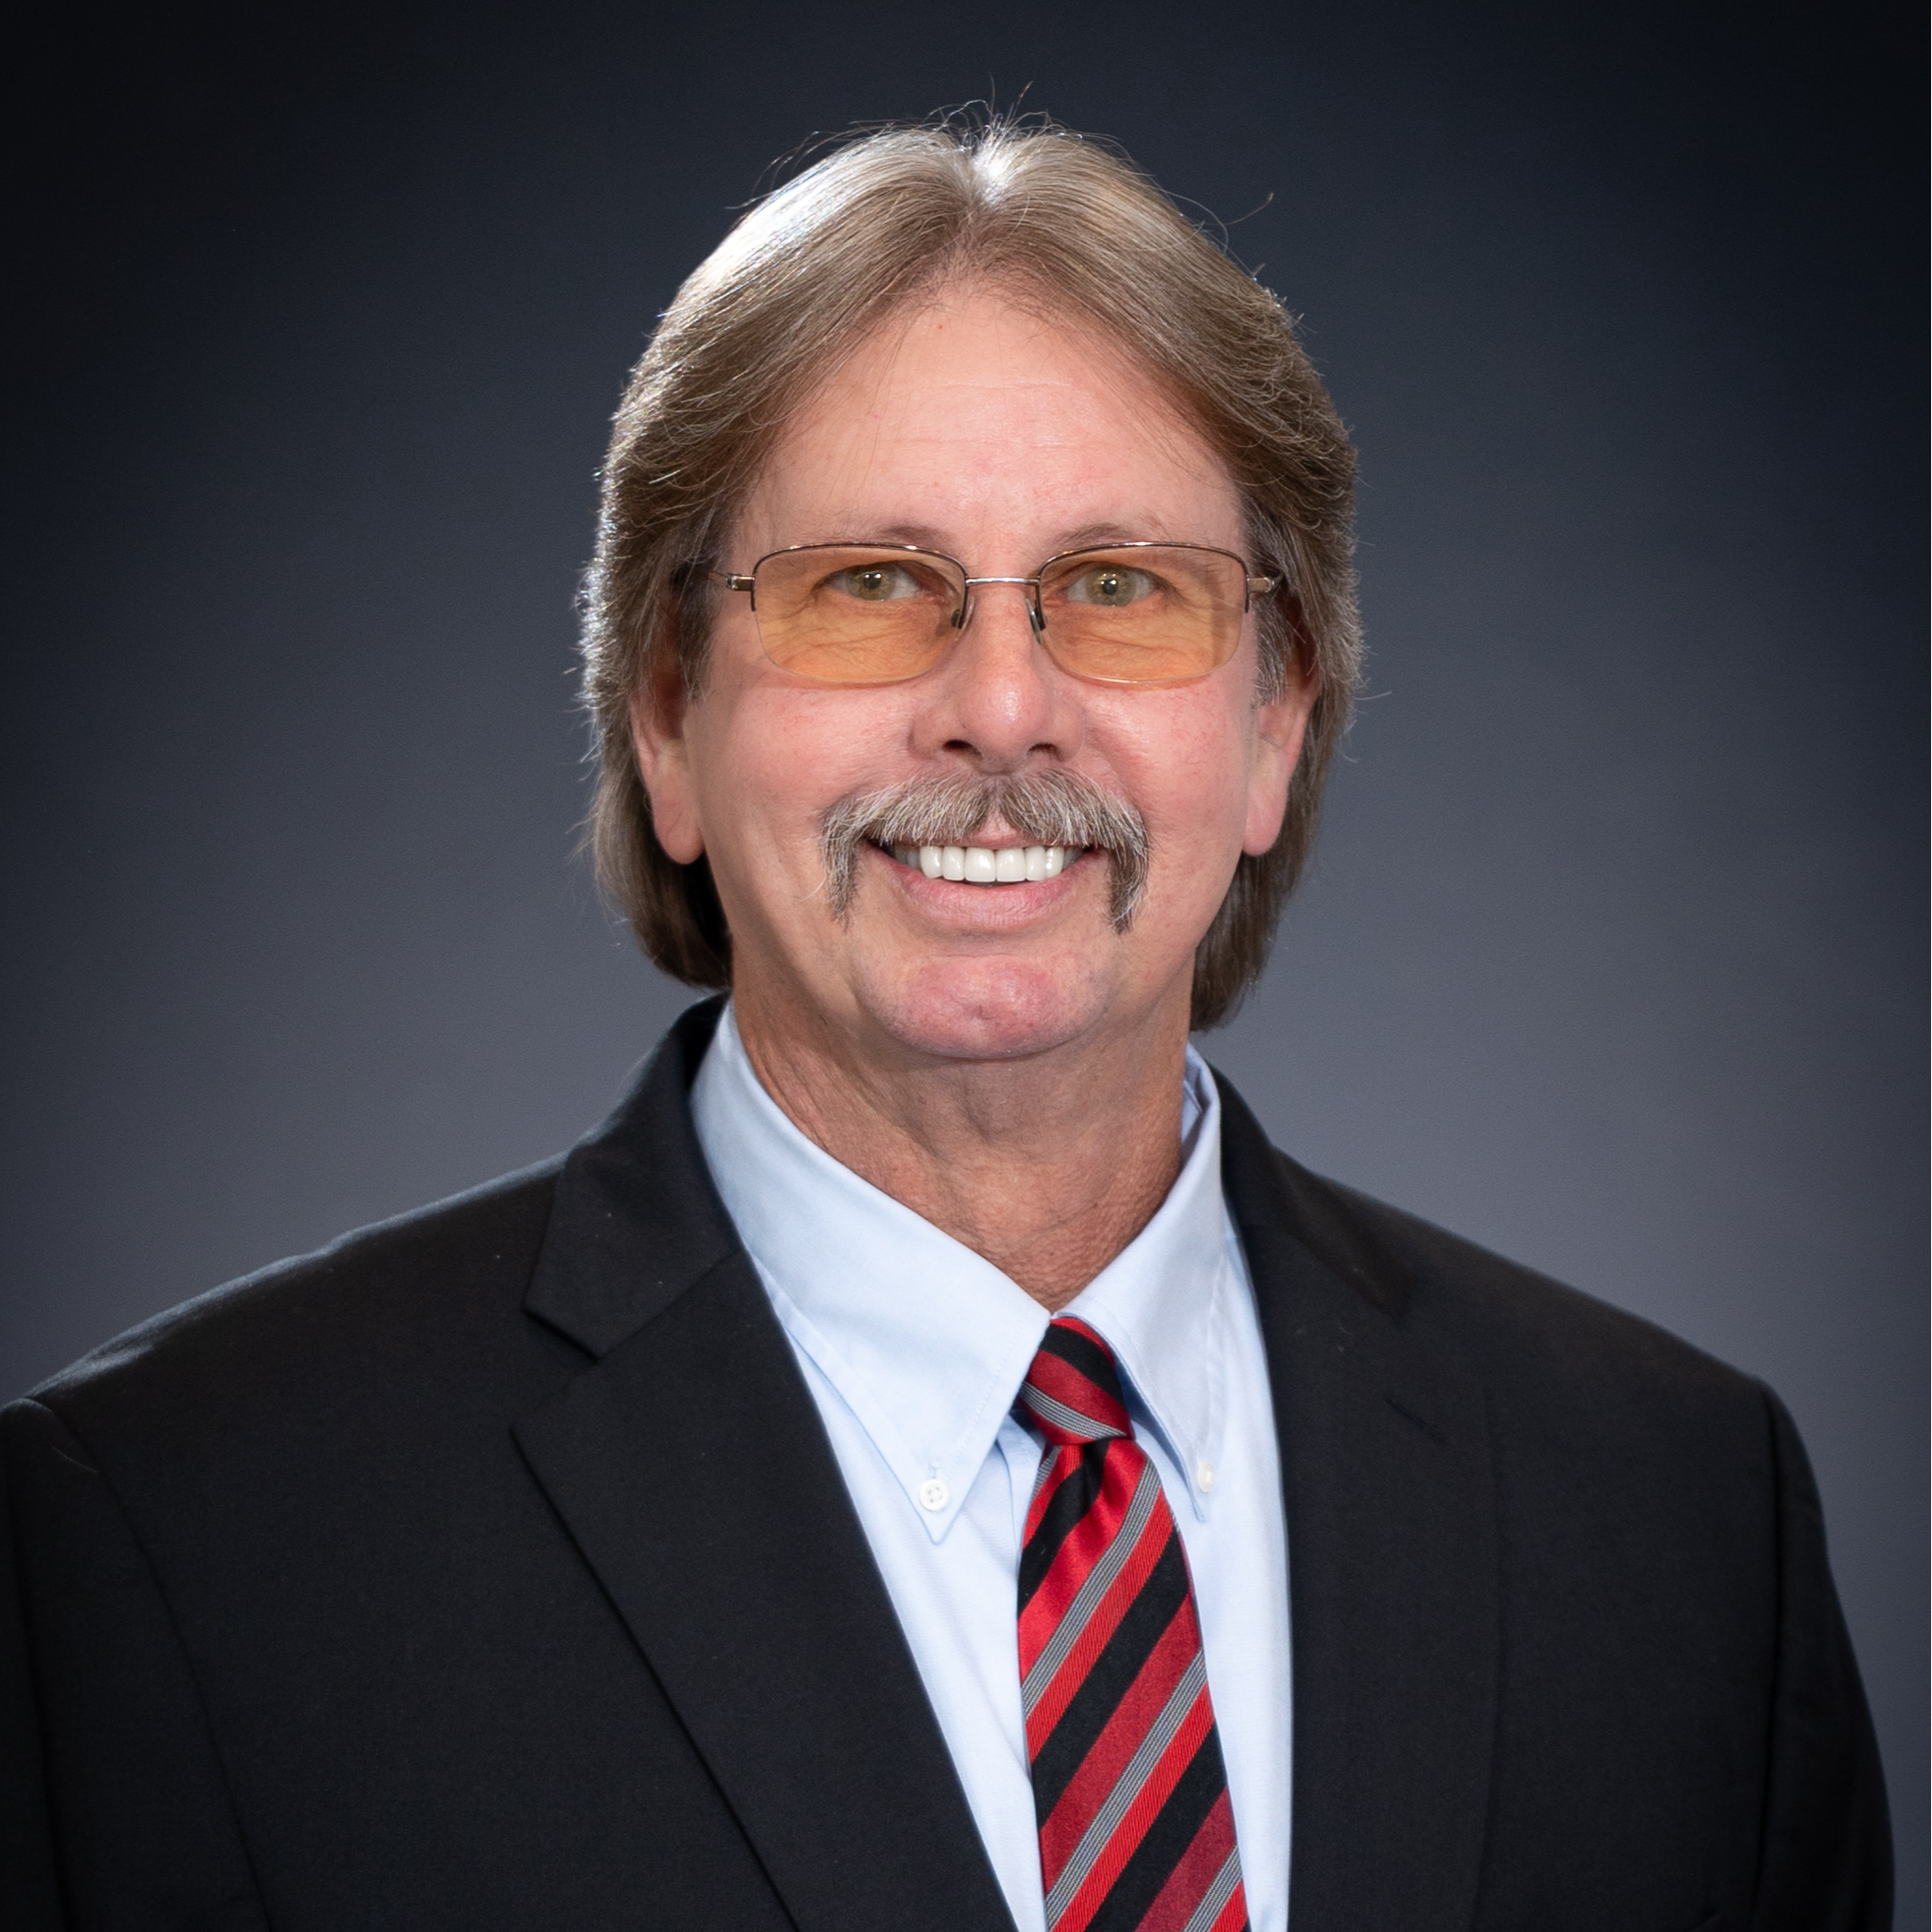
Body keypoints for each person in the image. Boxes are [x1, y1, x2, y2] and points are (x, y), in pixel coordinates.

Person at [0, 117, 1889, 1932]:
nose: (999, 707)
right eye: (868, 589)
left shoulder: (1674, 1516)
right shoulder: (177, 1537)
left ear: (1273, 722)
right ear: (665, 713)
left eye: (1121, 589)